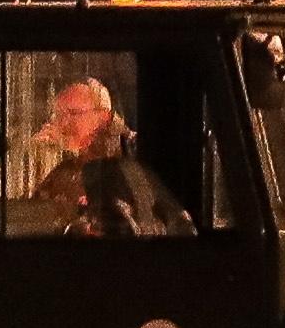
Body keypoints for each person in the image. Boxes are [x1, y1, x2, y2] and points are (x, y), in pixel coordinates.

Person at [27, 77, 191, 239]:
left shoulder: (131, 154)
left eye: (73, 113)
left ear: (103, 117)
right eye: (58, 115)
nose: (63, 123)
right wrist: (38, 157)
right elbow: (32, 217)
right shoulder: (66, 166)